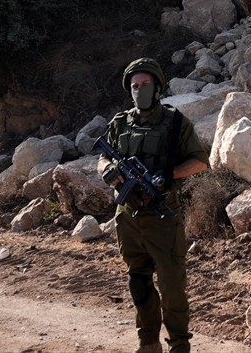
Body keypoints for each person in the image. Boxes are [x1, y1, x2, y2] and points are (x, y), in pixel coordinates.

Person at [98, 58, 209, 353]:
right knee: (138, 282)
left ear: (158, 87)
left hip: (162, 217)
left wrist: (168, 174)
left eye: (145, 84)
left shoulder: (176, 123)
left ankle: (179, 346)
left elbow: (200, 161)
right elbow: (103, 156)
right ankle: (148, 343)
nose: (140, 90)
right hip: (128, 217)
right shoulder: (120, 123)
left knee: (172, 288)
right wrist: (107, 170)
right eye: (135, 86)